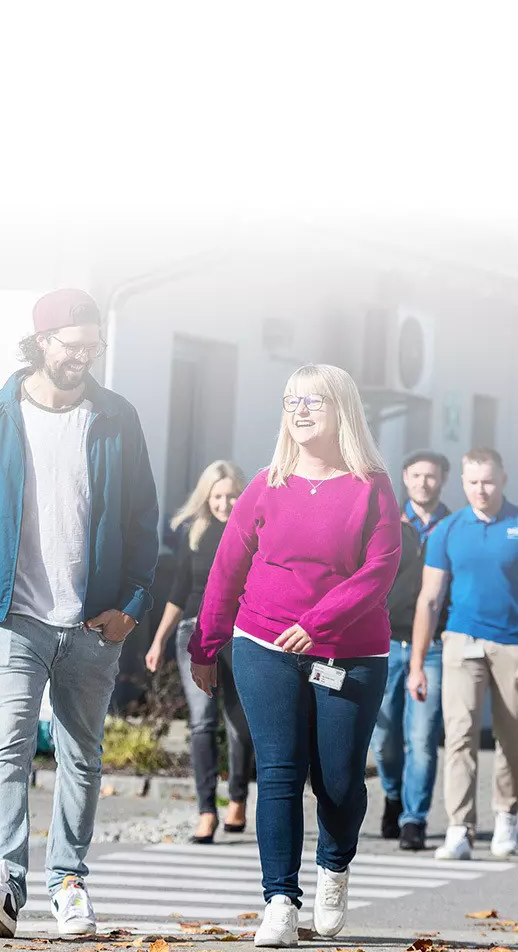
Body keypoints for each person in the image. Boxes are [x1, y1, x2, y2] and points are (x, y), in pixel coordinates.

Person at [0, 289, 159, 938]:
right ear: (41, 342)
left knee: (82, 754)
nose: (82, 357)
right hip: (13, 616)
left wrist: (133, 609)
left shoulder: (117, 417)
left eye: (93, 347)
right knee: (8, 746)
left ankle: (68, 882)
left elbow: (145, 523)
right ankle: (1, 882)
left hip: (92, 622)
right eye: (72, 345)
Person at [189, 364, 401, 947]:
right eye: (291, 401)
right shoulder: (266, 483)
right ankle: (279, 900)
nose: (300, 410)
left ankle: (334, 865)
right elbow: (227, 569)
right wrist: (206, 643)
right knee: (278, 774)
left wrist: (319, 623)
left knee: (337, 783)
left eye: (313, 400)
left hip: (350, 653)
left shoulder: (372, 485)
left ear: (342, 409)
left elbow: (380, 571)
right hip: (263, 645)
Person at [409, 447, 518, 861]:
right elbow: (429, 599)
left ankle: (507, 818)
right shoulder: (449, 529)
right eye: (472, 482)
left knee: (512, 737)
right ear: (463, 483)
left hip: (512, 642)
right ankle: (460, 828)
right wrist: (418, 664)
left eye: (487, 481)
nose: (480, 490)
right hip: (461, 640)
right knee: (460, 735)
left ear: (503, 478)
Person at [145, 460, 255, 843]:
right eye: (217, 496)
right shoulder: (194, 534)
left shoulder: (253, 532)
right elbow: (179, 591)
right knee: (202, 723)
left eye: (232, 495)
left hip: (241, 635)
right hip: (196, 633)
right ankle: (207, 810)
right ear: (206, 498)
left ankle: (238, 797)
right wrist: (159, 639)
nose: (225, 503)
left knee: (241, 725)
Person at [371, 450, 451, 850]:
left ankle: (413, 819)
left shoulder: (452, 526)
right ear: (404, 478)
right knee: (383, 736)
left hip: (434, 647)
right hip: (383, 642)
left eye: (431, 476)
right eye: (416, 475)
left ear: (443, 480)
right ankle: (391, 794)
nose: (423, 482)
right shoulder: (386, 522)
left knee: (420, 737)